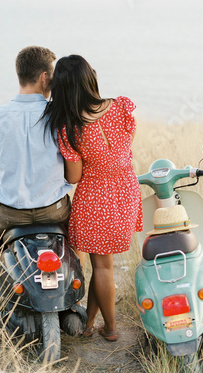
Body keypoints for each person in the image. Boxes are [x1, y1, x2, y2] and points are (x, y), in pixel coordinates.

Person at [0, 46, 72, 321]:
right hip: (54, 209)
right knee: (72, 232)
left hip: (9, 213)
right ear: (45, 77)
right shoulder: (59, 115)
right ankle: (72, 296)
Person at [43, 55, 143, 341]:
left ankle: (111, 330)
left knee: (101, 267)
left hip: (95, 195)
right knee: (104, 265)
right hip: (125, 190)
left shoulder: (69, 128)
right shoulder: (122, 106)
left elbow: (73, 177)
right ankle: (90, 325)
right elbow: (125, 148)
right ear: (91, 78)